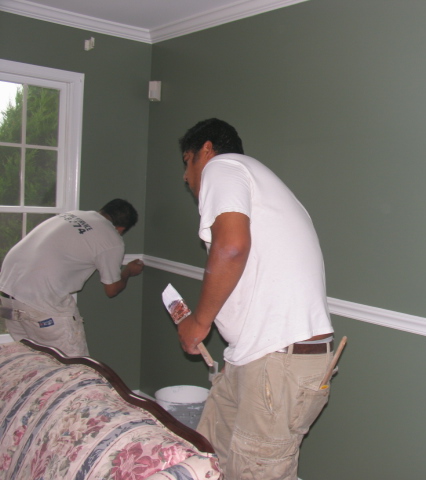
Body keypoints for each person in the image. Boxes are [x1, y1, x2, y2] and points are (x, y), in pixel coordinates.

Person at [177, 118, 335, 480]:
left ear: (206, 150)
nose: (185, 177)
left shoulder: (222, 167)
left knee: (255, 472)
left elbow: (232, 247)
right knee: (208, 459)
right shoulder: (257, 182)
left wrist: (198, 323)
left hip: (277, 362)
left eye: (187, 162)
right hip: (255, 356)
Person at [0, 198, 144, 357]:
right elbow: (112, 289)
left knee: (32, 362)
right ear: (121, 229)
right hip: (41, 303)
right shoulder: (112, 239)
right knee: (73, 365)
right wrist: (128, 271)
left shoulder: (72, 215)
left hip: (8, 297)